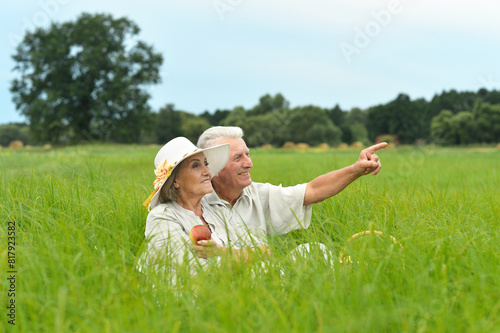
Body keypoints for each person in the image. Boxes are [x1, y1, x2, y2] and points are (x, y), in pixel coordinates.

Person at [196, 126, 387, 246]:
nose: (249, 163)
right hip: (221, 289)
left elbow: (313, 190)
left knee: (314, 250)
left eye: (248, 154)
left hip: (264, 282)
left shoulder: (258, 194)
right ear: (214, 166)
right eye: (238, 157)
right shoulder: (192, 202)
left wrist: (356, 169)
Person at [138, 137, 269, 277]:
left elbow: (265, 251)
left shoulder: (217, 210)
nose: (207, 172)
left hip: (230, 289)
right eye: (195, 165)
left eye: (205, 164)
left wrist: (221, 251)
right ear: (175, 180)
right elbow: (201, 274)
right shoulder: (161, 217)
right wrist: (243, 257)